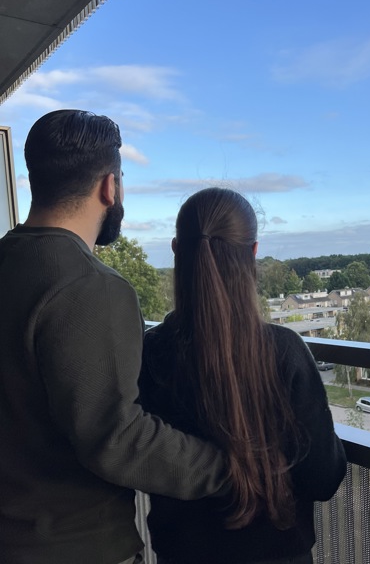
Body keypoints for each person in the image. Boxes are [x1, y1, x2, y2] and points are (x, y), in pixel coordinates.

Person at [0, 110, 229, 564]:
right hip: (72, 546)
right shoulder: (91, 286)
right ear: (110, 186)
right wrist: (229, 471)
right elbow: (116, 436)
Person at [138, 187, 347, 564]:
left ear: (176, 250)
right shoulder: (284, 352)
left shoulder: (149, 353)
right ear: (253, 252)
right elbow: (323, 479)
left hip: (182, 554)